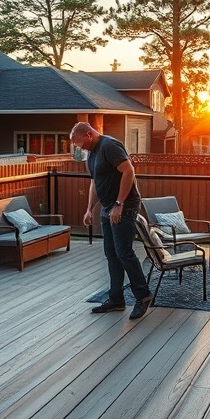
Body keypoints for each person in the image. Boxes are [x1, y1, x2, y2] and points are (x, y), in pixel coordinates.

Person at [70, 122, 153, 319]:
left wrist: (119, 203)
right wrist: (89, 209)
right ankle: (116, 300)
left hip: (124, 205)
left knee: (124, 252)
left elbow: (129, 171)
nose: (80, 148)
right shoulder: (91, 153)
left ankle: (143, 296)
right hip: (108, 206)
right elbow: (95, 182)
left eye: (80, 143)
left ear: (89, 134)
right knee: (111, 253)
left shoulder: (109, 145)